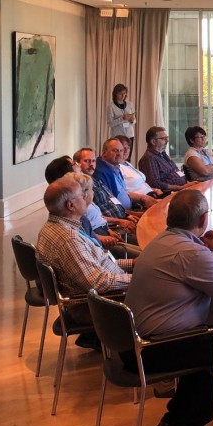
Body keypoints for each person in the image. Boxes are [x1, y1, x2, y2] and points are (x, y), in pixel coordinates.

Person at [124, 190, 213, 426]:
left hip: (130, 341)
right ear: (203, 219)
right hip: (153, 348)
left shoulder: (162, 241)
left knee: (209, 340)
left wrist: (205, 246)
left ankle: (176, 419)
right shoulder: (192, 254)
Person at [36, 175, 134, 348]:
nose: (87, 198)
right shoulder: (69, 239)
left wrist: (132, 264)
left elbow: (95, 263)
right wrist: (138, 280)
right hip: (96, 305)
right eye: (82, 195)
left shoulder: (56, 227)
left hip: (98, 296)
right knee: (166, 295)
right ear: (70, 205)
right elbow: (98, 282)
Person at [75, 147, 139, 236]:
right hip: (112, 227)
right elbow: (93, 217)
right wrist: (120, 221)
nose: (91, 165)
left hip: (123, 219)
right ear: (77, 164)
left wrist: (127, 215)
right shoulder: (79, 187)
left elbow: (111, 200)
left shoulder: (96, 179)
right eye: (87, 161)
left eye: (93, 161)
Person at [96, 137, 159, 210]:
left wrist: (143, 198)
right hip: (122, 213)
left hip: (132, 207)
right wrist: (133, 213)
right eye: (115, 150)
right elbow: (110, 204)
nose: (119, 154)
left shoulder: (115, 167)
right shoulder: (100, 172)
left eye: (121, 151)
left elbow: (124, 193)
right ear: (104, 152)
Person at [113, 134, 166, 199]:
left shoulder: (127, 164)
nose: (126, 151)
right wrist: (144, 198)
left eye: (128, 147)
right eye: (123, 148)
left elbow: (141, 184)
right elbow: (122, 192)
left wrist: (155, 190)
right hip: (142, 200)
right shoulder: (117, 168)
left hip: (153, 194)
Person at [139, 126, 187, 193]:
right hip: (170, 193)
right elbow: (155, 183)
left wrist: (188, 183)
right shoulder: (150, 158)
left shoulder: (163, 154)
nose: (167, 141)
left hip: (182, 187)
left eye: (167, 138)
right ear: (153, 142)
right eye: (163, 139)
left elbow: (175, 170)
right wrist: (179, 188)